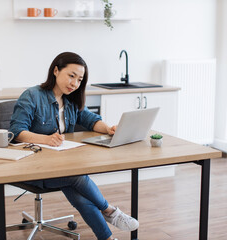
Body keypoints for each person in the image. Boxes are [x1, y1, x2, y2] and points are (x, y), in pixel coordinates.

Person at [9, 52, 139, 240]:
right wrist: (46, 139)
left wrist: (109, 128)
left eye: (79, 80)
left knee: (77, 190)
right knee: (76, 175)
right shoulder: (32, 96)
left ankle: (107, 238)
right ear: (55, 70)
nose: (75, 83)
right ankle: (109, 210)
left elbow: (91, 120)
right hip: (34, 168)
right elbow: (16, 132)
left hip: (62, 168)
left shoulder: (71, 101)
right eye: (71, 76)